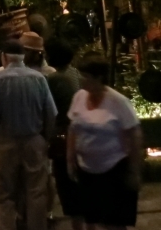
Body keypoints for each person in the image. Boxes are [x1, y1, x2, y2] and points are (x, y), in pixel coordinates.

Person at [0, 35, 57, 230]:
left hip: (5, 143)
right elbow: (50, 113)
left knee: (3, 195)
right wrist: (45, 139)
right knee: (36, 192)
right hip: (34, 141)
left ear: (4, 57)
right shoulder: (39, 78)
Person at [67, 53, 143, 230]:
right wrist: (70, 159)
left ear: (98, 77)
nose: (81, 80)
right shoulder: (79, 97)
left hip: (112, 170)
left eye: (85, 76)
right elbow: (73, 128)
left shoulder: (118, 102)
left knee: (112, 223)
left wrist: (134, 171)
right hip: (86, 169)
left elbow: (135, 134)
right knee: (91, 218)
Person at [44, 39, 82, 227]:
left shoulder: (54, 79)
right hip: (81, 134)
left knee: (67, 185)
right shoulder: (76, 74)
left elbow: (48, 109)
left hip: (63, 136)